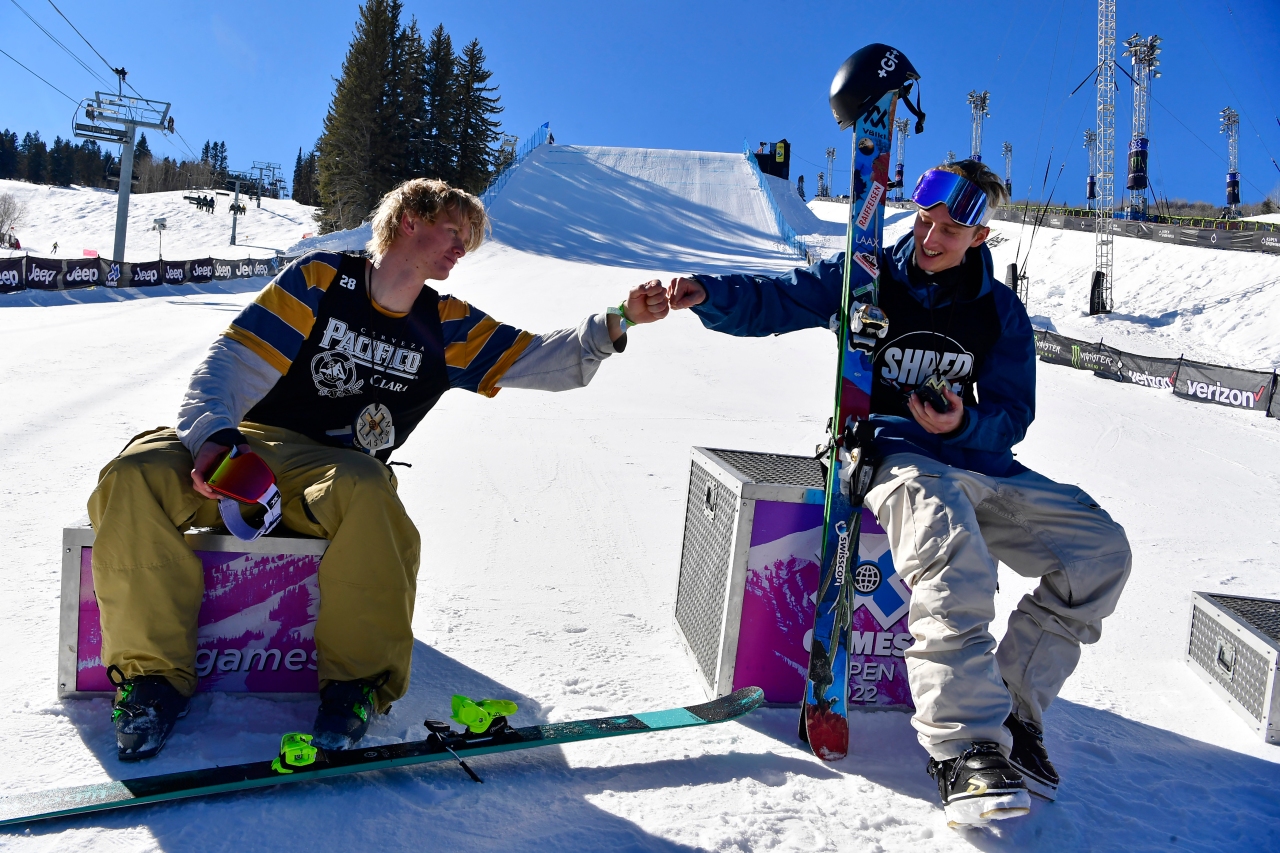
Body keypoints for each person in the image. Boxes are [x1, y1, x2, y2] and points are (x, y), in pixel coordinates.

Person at [89, 177, 670, 760]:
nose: (461, 246)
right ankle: (152, 682)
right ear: (409, 220)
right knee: (136, 472)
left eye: (468, 237)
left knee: (369, 490)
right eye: (453, 230)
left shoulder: (445, 324)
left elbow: (545, 358)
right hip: (251, 446)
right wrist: (213, 436)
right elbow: (230, 364)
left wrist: (621, 319)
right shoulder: (321, 281)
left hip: (334, 473)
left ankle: (354, 688)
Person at [665, 159, 1130, 826]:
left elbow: (1011, 412)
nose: (930, 238)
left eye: (949, 230)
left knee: (1100, 549)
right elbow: (780, 298)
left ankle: (1013, 708)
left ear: (981, 237)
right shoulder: (867, 277)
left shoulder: (999, 310)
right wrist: (708, 294)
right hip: (890, 451)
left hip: (978, 458)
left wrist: (963, 421)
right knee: (948, 540)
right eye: (924, 221)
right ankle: (965, 744)